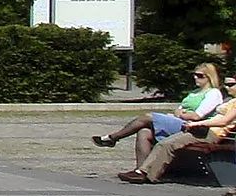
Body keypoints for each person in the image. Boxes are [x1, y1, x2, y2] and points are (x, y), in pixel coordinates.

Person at [93, 62, 223, 166]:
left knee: (148, 117)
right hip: (182, 122)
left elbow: (197, 116)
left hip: (195, 128)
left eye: (200, 76)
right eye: (195, 75)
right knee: (144, 132)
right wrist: (180, 113)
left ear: (209, 77)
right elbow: (179, 109)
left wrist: (181, 114)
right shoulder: (194, 92)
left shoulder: (213, 93)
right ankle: (142, 170)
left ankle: (113, 138)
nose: (196, 78)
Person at [119, 89, 236, 183]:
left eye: (231, 84)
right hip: (203, 130)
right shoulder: (231, 101)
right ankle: (143, 172)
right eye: (226, 84)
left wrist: (197, 123)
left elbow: (224, 121)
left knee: (167, 144)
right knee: (163, 142)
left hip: (211, 133)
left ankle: (146, 174)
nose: (227, 87)